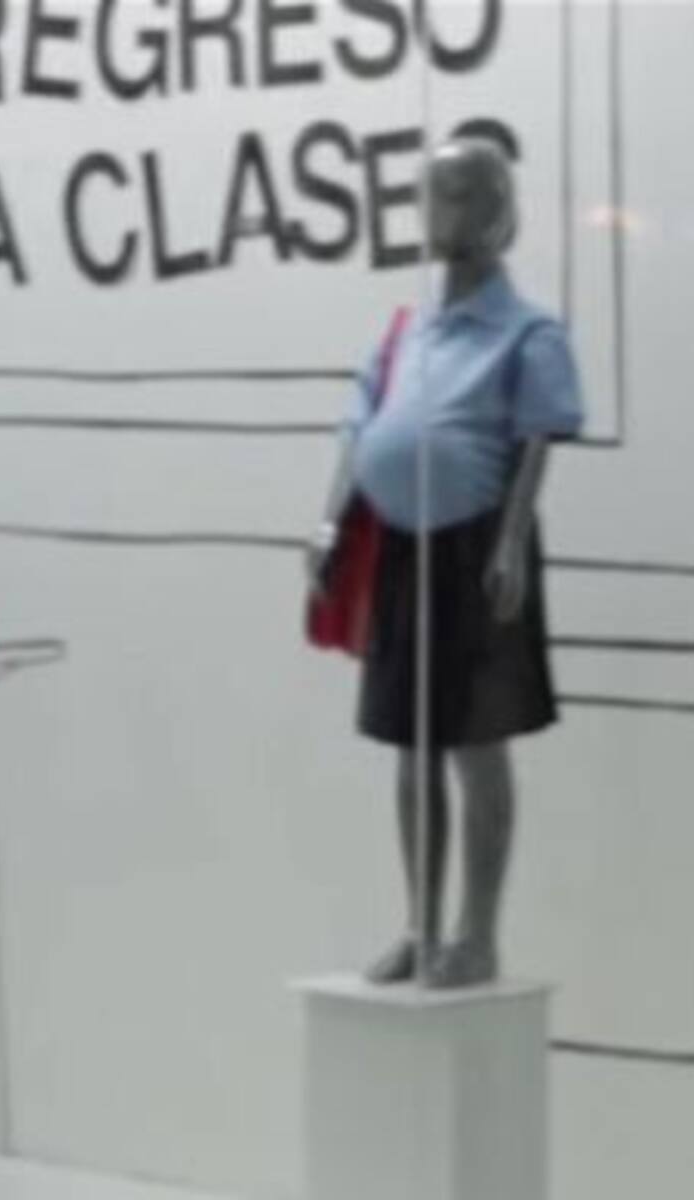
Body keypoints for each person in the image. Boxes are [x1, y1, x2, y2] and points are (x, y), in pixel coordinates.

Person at [307, 138, 584, 988]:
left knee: (477, 741)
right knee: (410, 741)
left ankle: (479, 933)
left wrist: (509, 544)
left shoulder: (528, 332)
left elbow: (535, 444)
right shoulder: (407, 332)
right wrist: (330, 523)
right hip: (400, 546)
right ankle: (420, 927)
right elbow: (361, 426)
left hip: (474, 546)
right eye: (431, 194)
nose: (440, 211)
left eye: (460, 195)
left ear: (498, 211)